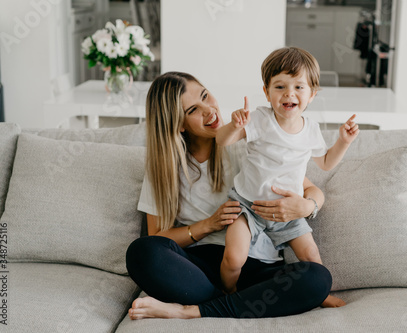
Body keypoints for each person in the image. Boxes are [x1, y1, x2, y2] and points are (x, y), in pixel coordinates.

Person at [126, 71, 343, 321]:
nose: (209, 110)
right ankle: (233, 304)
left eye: (206, 96)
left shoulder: (246, 141)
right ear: (179, 124)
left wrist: (306, 207)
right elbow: (157, 237)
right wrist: (206, 226)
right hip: (199, 269)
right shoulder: (163, 169)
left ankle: (194, 310)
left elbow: (312, 190)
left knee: (317, 279)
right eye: (193, 110)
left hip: (258, 265)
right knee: (141, 252)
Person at [216, 47, 359, 294]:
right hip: (247, 206)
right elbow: (222, 141)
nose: (288, 94)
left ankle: (321, 295)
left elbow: (325, 163)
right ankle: (227, 293)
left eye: (298, 87)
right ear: (266, 92)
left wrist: (343, 142)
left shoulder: (311, 130)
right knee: (233, 258)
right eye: (280, 87)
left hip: (288, 211)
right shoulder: (260, 119)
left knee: (312, 256)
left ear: (312, 94)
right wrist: (234, 125)